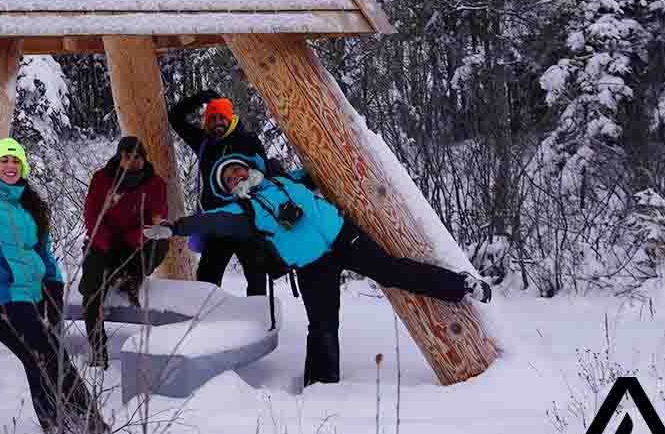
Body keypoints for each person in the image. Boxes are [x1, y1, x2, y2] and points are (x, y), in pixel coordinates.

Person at [144, 153, 491, 386]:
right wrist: (174, 228)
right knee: (323, 327)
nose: (237, 177)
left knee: (393, 272)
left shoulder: (283, 179)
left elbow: (319, 170)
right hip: (311, 266)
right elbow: (210, 222)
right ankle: (322, 391)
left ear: (249, 168)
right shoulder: (242, 212)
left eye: (238, 171)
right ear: (228, 190)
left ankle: (461, 285)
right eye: (230, 180)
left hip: (343, 237)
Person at [0, 138, 109, 434]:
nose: (10, 166)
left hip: (26, 297)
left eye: (15, 161)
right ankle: (82, 424)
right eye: (3, 161)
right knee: (49, 354)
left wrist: (54, 288)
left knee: (41, 357)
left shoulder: (26, 203)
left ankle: (61, 427)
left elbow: (42, 251)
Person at [168, 89, 277, 296]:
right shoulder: (203, 141)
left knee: (256, 278)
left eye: (222, 117)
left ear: (230, 118)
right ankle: (204, 321)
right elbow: (175, 117)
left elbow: (265, 174)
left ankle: (260, 322)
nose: (217, 122)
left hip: (247, 219)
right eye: (212, 118)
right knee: (207, 280)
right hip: (216, 222)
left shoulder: (247, 140)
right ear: (206, 121)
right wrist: (199, 98)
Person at [79, 136, 170, 368]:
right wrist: (105, 242)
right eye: (126, 156)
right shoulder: (102, 178)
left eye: (136, 157)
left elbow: (158, 219)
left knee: (160, 241)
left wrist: (133, 238)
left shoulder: (155, 184)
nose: (131, 162)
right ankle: (98, 346)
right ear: (119, 157)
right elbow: (91, 214)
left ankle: (130, 276)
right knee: (91, 288)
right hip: (103, 240)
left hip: (135, 242)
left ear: (144, 158)